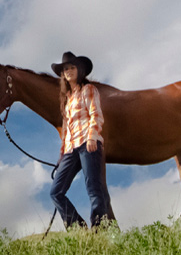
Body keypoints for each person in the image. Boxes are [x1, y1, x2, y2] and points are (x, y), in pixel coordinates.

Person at [49, 51, 115, 229]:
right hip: (71, 149)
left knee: (94, 189)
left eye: (71, 67)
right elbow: (67, 131)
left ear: (79, 70)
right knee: (56, 192)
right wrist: (62, 154)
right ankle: (78, 228)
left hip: (88, 143)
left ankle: (98, 230)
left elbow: (96, 114)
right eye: (65, 69)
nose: (68, 71)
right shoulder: (67, 100)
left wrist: (92, 137)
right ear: (63, 74)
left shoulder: (89, 90)